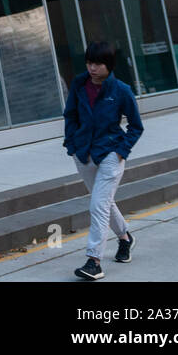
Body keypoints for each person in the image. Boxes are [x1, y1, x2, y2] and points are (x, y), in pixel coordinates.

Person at [62, 41, 144, 281]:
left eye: (97, 64)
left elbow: (136, 127)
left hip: (110, 154)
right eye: (89, 63)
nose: (92, 68)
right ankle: (125, 238)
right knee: (104, 203)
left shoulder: (121, 90)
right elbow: (70, 115)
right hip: (83, 153)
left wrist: (121, 151)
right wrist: (71, 144)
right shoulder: (79, 84)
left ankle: (94, 261)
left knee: (98, 205)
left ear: (109, 65)